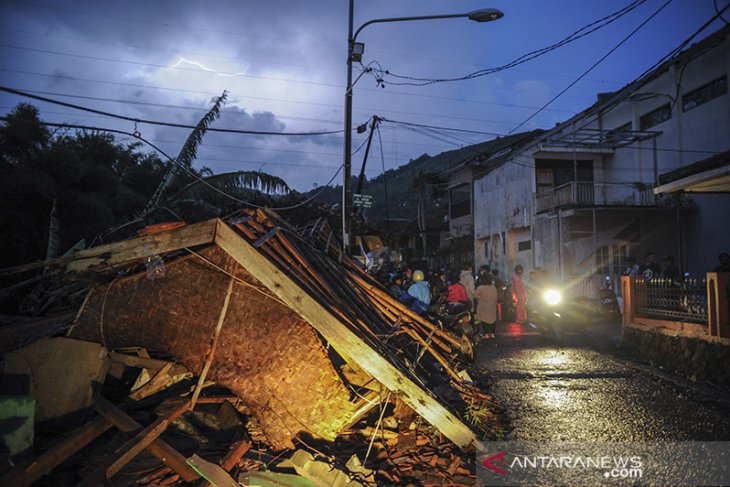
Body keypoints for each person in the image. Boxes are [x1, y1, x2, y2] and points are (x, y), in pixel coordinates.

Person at [474, 275, 498, 339]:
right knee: (492, 320)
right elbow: (496, 297)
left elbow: (475, 295)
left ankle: (486, 334)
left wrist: (479, 298)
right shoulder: (493, 287)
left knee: (484, 320)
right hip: (492, 305)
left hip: (483, 305)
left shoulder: (481, 287)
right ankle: (492, 333)